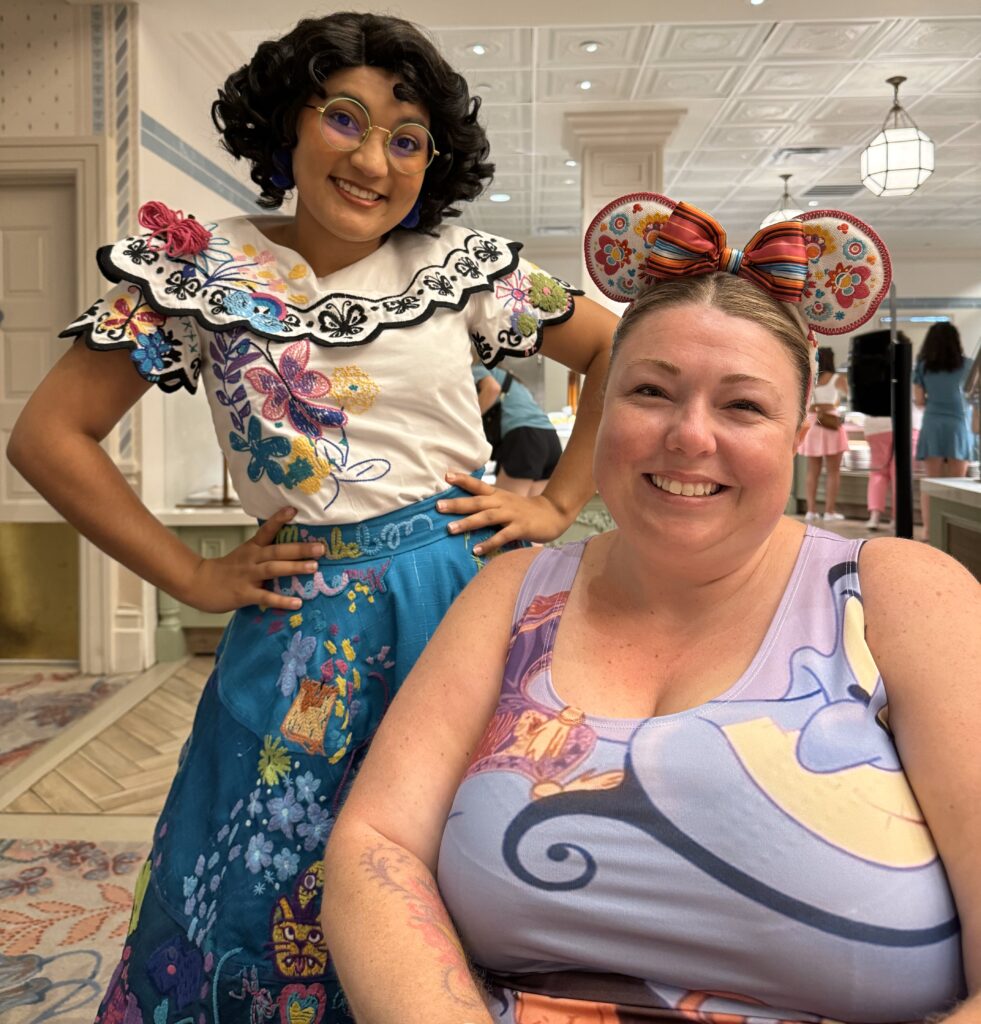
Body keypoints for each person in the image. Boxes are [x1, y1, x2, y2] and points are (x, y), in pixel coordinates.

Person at [5, 13, 617, 1023]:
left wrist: (554, 499)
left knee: (463, 845)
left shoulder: (462, 264)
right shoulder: (195, 272)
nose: (375, 159)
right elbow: (49, 435)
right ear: (286, 124)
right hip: (302, 617)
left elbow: (614, 353)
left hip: (458, 597)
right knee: (257, 854)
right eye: (346, 118)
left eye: (408, 137)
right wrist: (191, 577)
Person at [322, 195, 981, 1023]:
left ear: (795, 431)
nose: (688, 436)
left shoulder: (901, 597)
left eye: (742, 405)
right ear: (600, 410)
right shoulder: (511, 592)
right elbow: (376, 844)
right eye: (649, 391)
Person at [914, 322, 974, 538]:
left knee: (931, 482)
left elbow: (919, 400)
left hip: (933, 423)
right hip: (960, 425)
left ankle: (929, 531)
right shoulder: (969, 365)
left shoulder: (922, 366)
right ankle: (956, 532)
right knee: (958, 483)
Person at [473, 362, 562, 496]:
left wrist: (466, 422)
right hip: (550, 438)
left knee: (502, 511)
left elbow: (492, 389)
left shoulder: (476, 370)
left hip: (525, 438)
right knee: (533, 512)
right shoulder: (512, 379)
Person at [799, 345, 849, 522]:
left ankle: (811, 510)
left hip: (812, 423)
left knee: (812, 471)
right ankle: (829, 511)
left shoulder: (809, 379)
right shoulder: (838, 378)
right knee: (833, 471)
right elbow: (848, 397)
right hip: (830, 424)